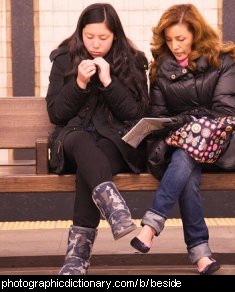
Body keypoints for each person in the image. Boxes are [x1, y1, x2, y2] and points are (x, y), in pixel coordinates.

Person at [130, 4, 235, 275]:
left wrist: (186, 121)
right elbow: (158, 116)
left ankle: (151, 226)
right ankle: (201, 254)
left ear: (196, 34)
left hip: (218, 145)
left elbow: (225, 114)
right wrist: (175, 127)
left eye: (181, 39)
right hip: (178, 148)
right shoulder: (159, 69)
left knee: (187, 150)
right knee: (185, 156)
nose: (175, 46)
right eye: (169, 40)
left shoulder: (221, 60)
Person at [46, 3, 149, 275]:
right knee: (81, 143)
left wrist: (109, 82)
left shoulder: (133, 60)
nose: (95, 44)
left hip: (114, 143)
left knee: (90, 165)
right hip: (70, 140)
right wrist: (78, 84)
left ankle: (77, 258)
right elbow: (57, 113)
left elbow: (136, 113)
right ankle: (115, 210)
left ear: (115, 35)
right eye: (89, 36)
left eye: (103, 37)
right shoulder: (63, 59)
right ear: (80, 32)